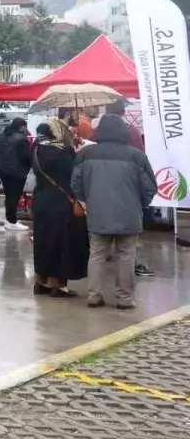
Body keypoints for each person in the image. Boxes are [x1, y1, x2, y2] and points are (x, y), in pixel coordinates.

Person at [72, 114, 157, 310]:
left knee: (97, 254)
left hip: (97, 212)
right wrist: (140, 204)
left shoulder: (85, 154)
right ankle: (124, 298)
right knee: (126, 256)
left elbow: (76, 184)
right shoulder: (136, 155)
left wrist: (88, 199)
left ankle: (94, 295)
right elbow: (149, 187)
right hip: (129, 214)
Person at [94, 99, 155, 277]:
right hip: (127, 191)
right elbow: (142, 165)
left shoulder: (96, 133)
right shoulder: (132, 132)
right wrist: (143, 200)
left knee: (98, 249)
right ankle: (130, 277)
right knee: (127, 245)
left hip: (100, 190)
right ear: (123, 112)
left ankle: (94, 289)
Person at [30, 119, 88, 299]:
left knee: (43, 243)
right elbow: (72, 174)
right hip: (60, 202)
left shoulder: (37, 149)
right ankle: (59, 285)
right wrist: (76, 152)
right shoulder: (60, 153)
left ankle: (40, 282)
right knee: (62, 243)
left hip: (41, 200)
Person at [0, 118, 32, 232]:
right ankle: (11, 221)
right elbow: (26, 157)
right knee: (14, 197)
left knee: (9, 196)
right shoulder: (21, 139)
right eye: (25, 127)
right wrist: (28, 166)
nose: (26, 130)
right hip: (17, 172)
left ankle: (10, 220)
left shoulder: (0, 136)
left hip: (3, 171)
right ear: (21, 127)